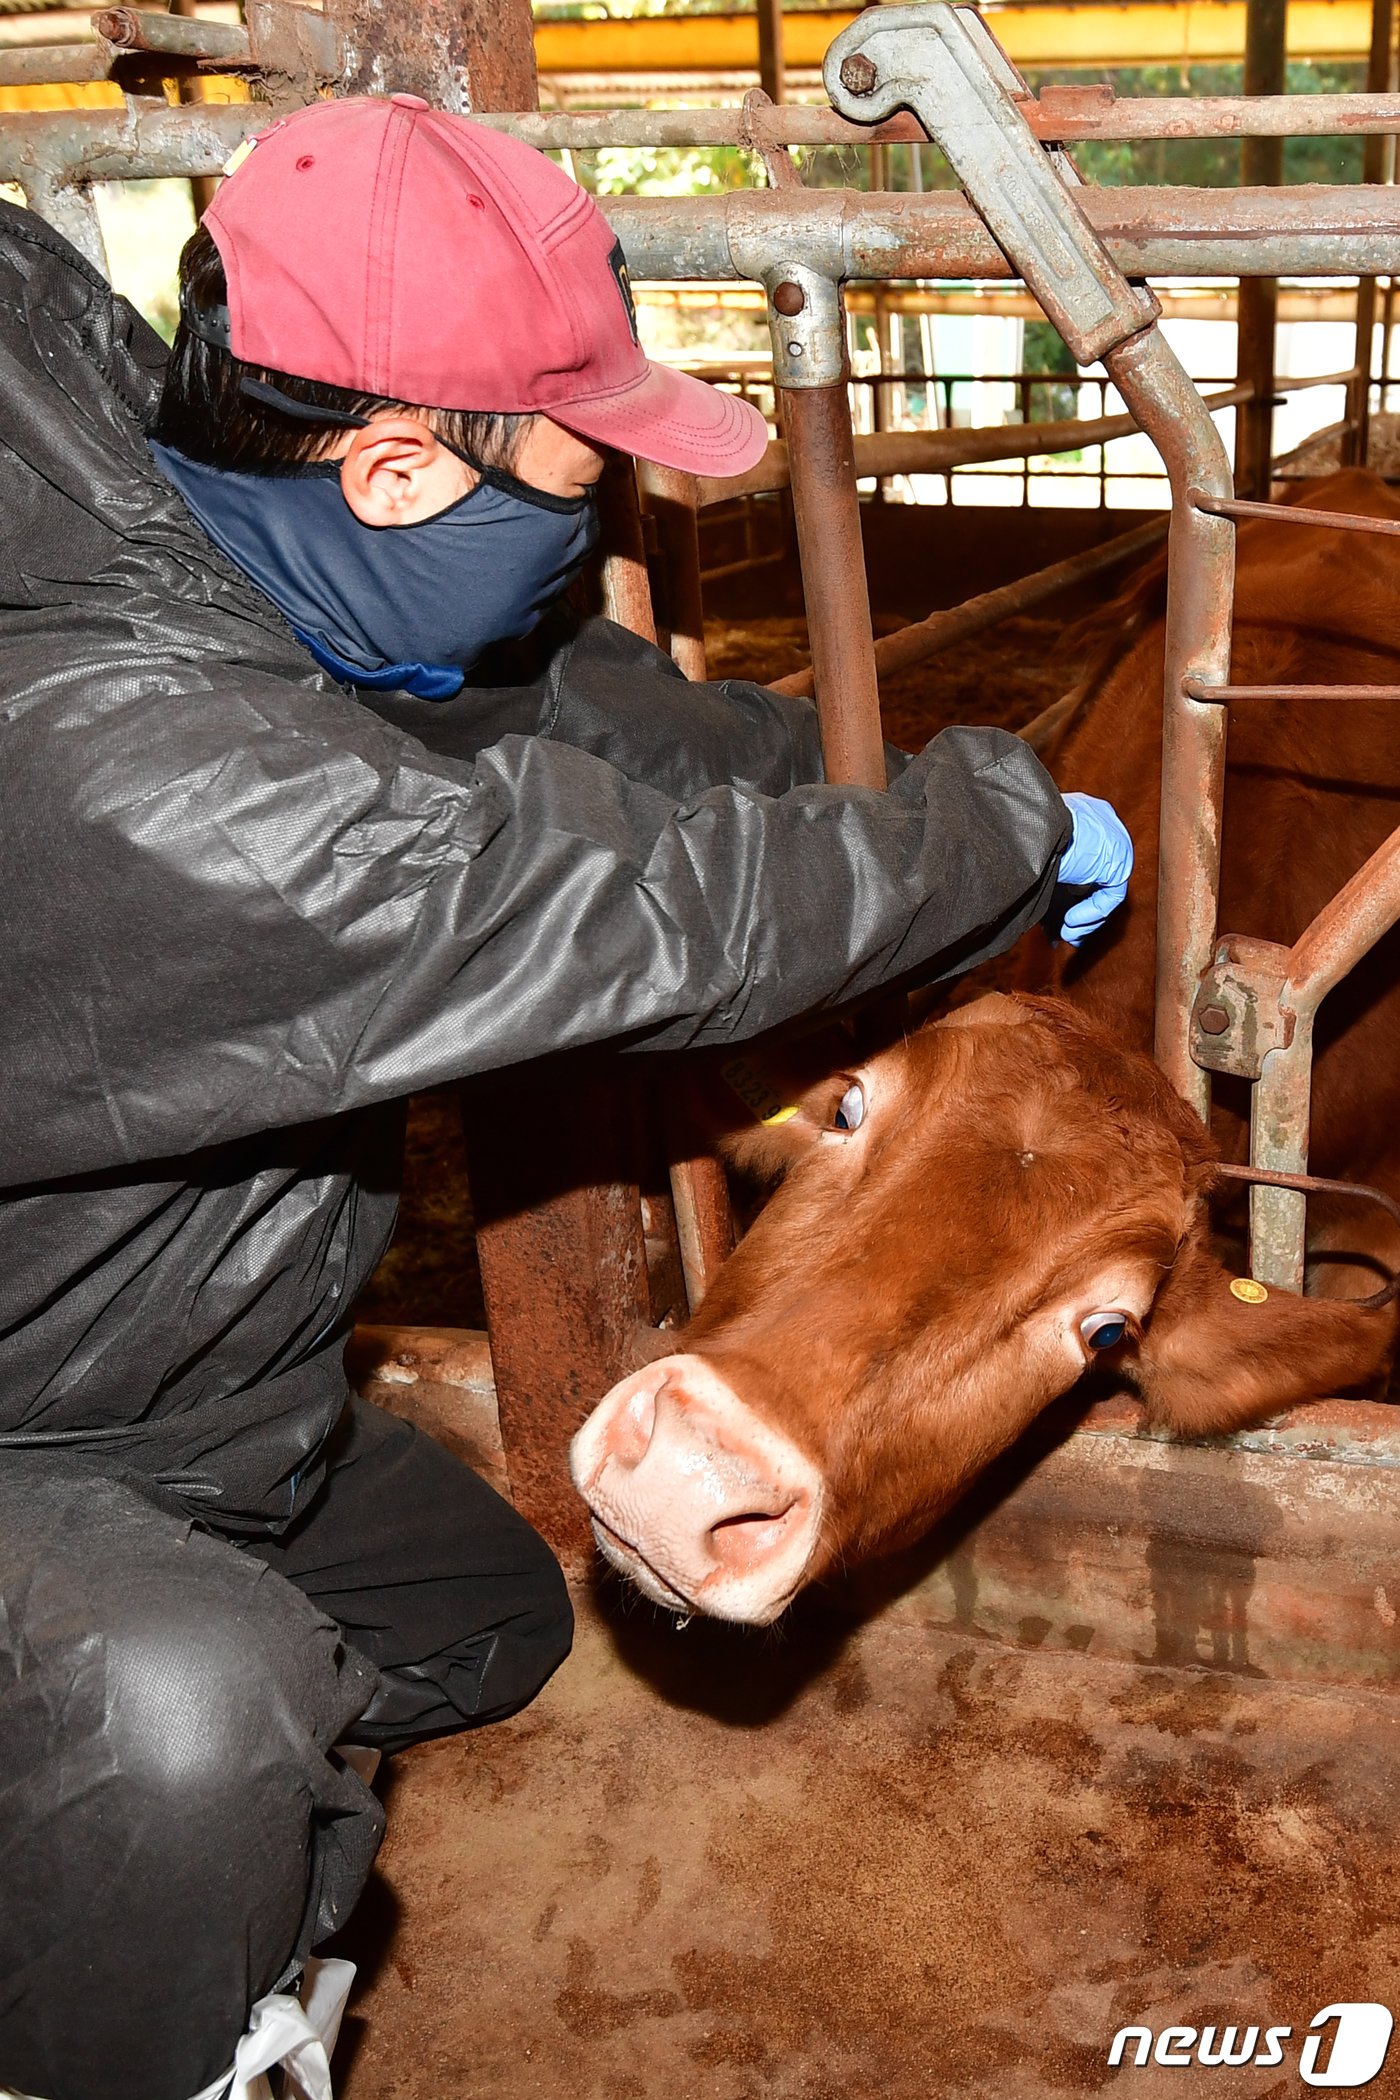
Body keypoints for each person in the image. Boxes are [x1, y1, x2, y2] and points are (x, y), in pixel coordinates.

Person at [0, 93, 1131, 2100]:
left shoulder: (203, 490)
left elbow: (540, 690)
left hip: (187, 1387)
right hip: (31, 1432)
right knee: (197, 1722)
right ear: (399, 467)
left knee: (490, 1627)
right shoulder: (165, 785)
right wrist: (997, 823)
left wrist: (834, 776)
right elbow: (634, 916)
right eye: (570, 467)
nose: (598, 501)